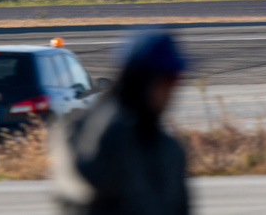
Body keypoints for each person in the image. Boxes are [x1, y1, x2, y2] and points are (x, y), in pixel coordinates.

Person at [53, 32, 190, 215]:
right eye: (168, 80)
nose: (173, 90)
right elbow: (84, 184)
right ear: (142, 79)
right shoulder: (85, 135)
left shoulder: (169, 149)